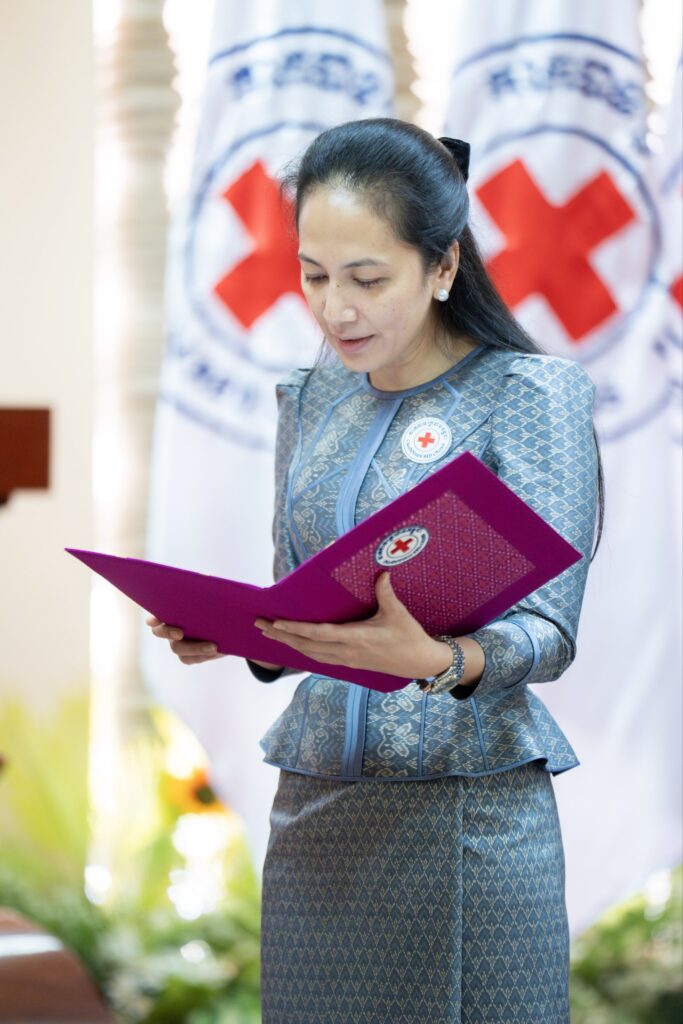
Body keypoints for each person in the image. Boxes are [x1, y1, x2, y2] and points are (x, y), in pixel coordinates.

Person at [147, 118, 604, 1024]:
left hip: (464, 816)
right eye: (314, 274)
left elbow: (548, 633)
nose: (336, 310)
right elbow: (304, 593)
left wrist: (436, 662)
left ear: (442, 266)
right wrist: (243, 631)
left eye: (367, 279)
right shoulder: (311, 399)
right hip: (319, 813)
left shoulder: (528, 394)